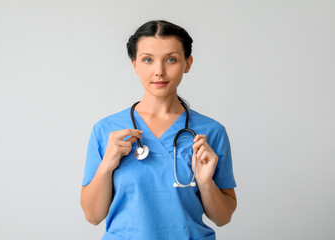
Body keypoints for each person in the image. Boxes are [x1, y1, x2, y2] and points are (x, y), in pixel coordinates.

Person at [80, 20, 237, 240]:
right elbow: (93, 215)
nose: (159, 71)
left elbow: (223, 217)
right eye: (147, 60)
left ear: (187, 63)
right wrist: (106, 166)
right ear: (134, 64)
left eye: (171, 59)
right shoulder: (107, 130)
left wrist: (205, 183)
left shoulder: (210, 132)